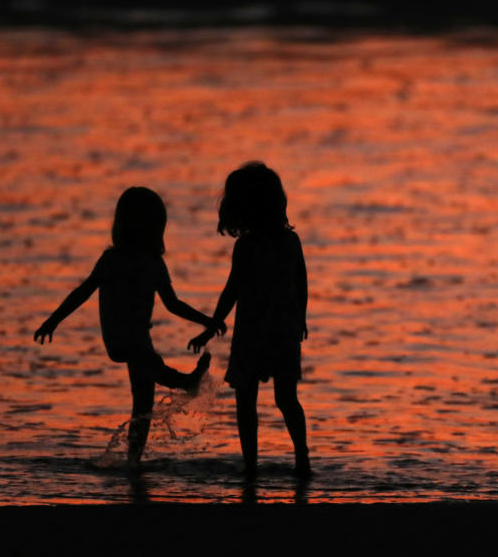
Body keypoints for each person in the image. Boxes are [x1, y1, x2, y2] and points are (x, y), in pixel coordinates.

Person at [33, 187, 223, 469]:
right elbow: (83, 291)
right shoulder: (113, 260)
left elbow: (173, 304)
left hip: (139, 339)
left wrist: (206, 321)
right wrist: (54, 320)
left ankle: (133, 462)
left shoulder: (153, 264)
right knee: (149, 362)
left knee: (143, 405)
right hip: (120, 338)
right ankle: (186, 381)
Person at [189, 162, 311, 479]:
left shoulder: (251, 246)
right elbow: (300, 281)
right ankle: (299, 460)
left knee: (250, 398)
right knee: (283, 398)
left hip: (257, 330)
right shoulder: (287, 242)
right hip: (280, 328)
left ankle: (255, 466)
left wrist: (212, 325)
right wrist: (301, 316)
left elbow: (234, 289)